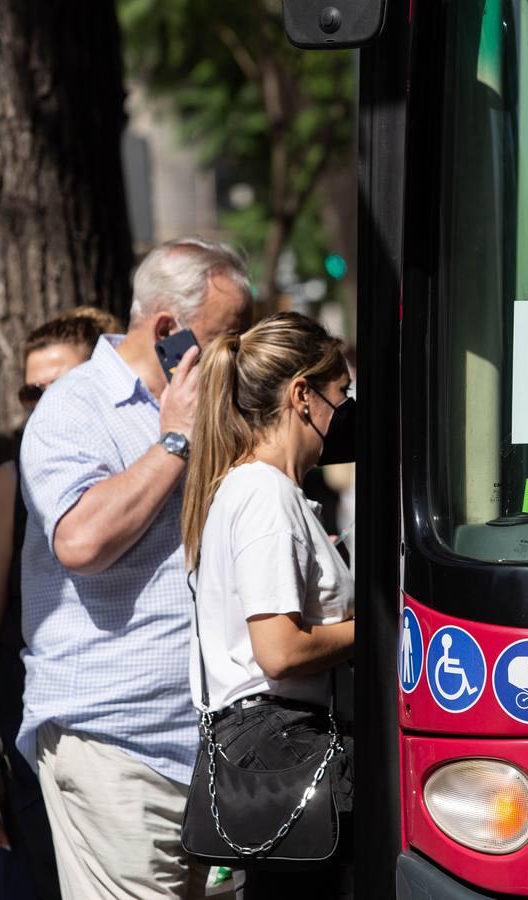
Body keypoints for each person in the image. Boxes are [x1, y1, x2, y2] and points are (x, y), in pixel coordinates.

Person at [19, 237, 252, 900]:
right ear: (167, 330)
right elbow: (82, 542)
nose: (236, 353)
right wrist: (174, 443)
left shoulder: (219, 403)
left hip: (215, 750)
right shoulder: (74, 408)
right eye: (226, 335)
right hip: (118, 750)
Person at [180, 311, 356, 898]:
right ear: (302, 396)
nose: (345, 412)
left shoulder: (255, 489)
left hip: (271, 741)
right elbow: (278, 650)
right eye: (341, 395)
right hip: (282, 741)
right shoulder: (263, 494)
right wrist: (377, 630)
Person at [0, 309, 121, 900]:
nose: (47, 402)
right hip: (34, 750)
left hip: (134, 745)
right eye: (35, 390)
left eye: (65, 385)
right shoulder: (11, 484)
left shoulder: (150, 472)